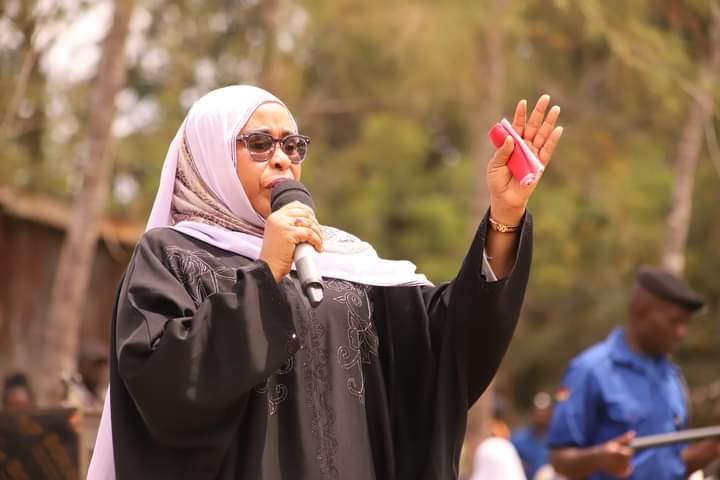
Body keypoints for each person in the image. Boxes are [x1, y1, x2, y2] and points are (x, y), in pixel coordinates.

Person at [87, 85, 563, 480]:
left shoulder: (343, 260)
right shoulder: (171, 255)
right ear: (209, 155)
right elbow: (163, 386)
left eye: (292, 146)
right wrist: (266, 272)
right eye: (259, 144)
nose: (281, 160)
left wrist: (505, 217)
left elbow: (449, 348)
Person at [548, 266, 720, 479]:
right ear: (640, 310)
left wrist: (712, 448)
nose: (681, 333)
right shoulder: (591, 370)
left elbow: (670, 465)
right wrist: (598, 457)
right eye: (674, 322)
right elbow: (559, 459)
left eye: (685, 324)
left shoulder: (672, 379)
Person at [512, 391, 553, 479]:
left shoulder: (559, 440)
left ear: (551, 413)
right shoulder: (518, 440)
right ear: (532, 412)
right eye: (538, 411)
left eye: (544, 411)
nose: (541, 414)